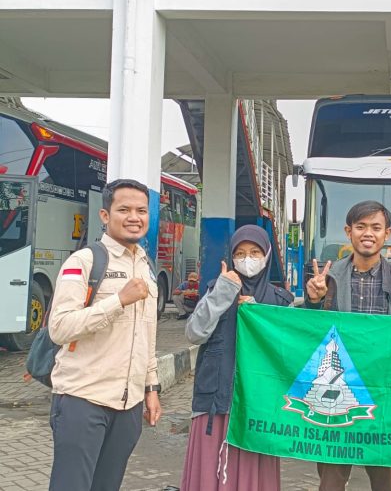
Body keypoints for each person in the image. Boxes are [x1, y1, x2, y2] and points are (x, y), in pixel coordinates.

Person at [47, 178, 161, 491]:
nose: (134, 217)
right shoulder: (84, 261)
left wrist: (151, 387)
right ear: (105, 216)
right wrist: (117, 301)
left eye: (141, 210)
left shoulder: (146, 266)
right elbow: (59, 327)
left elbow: (147, 335)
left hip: (130, 404)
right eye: (123, 209)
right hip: (83, 399)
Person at [304, 200, 391, 491]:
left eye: (376, 227)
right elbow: (309, 332)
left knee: (384, 476)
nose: (368, 233)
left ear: (387, 234)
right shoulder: (327, 280)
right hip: (336, 391)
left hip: (381, 391)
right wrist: (314, 301)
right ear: (348, 231)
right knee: (331, 476)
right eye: (361, 226)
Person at [181, 225, 293, 490]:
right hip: (215, 405)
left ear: (266, 255)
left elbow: (290, 352)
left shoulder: (280, 301)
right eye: (240, 253)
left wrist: (261, 316)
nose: (247, 259)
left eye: (255, 252)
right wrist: (224, 291)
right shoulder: (215, 289)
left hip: (258, 408)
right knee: (209, 475)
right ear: (231, 257)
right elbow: (194, 333)